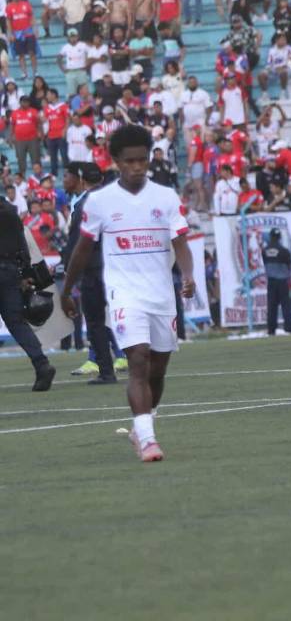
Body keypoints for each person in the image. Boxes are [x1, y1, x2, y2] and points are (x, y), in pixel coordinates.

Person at [60, 125, 196, 463]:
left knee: (158, 370)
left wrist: (189, 274)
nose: (137, 167)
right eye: (130, 161)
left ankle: (143, 425)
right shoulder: (100, 201)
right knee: (138, 360)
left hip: (161, 294)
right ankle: (148, 439)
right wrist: (67, 289)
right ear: (116, 161)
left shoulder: (165, 197)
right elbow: (82, 248)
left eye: (143, 160)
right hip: (124, 294)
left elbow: (180, 242)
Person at [62, 161, 122, 383]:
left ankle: (106, 371)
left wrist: (67, 272)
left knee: (95, 321)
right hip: (118, 266)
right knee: (127, 317)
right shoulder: (117, 200)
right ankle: (142, 366)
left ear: (82, 179)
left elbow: (77, 244)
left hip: (94, 269)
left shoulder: (85, 205)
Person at [0, 192, 56, 392]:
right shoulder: (10, 212)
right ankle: (41, 363)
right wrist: (24, 273)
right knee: (17, 322)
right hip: (10, 271)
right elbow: (22, 244)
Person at [262, 228, 291, 336]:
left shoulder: (264, 251)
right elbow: (289, 266)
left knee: (272, 306)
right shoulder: (284, 251)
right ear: (279, 237)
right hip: (283, 281)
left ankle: (271, 330)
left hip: (271, 281)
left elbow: (265, 263)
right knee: (286, 305)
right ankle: (289, 329)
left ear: (270, 237)